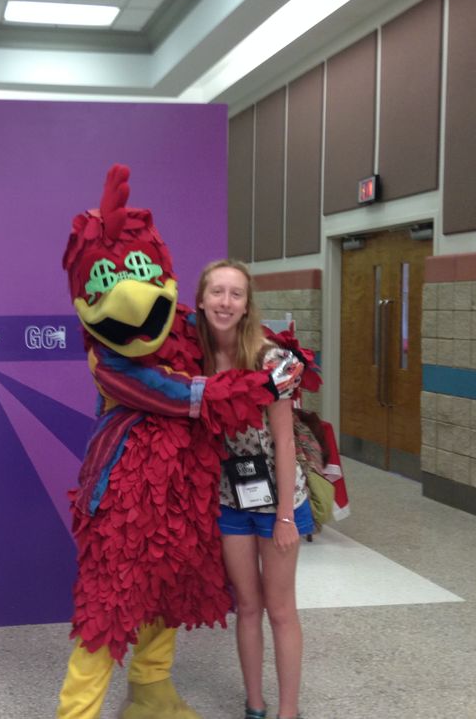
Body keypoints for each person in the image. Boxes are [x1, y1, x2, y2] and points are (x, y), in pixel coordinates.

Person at [57, 167, 278, 719]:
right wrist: (259, 385)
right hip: (126, 495)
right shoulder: (108, 360)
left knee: (168, 589)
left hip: (186, 488)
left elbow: (228, 337)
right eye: (109, 280)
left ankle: (151, 691)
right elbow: (179, 393)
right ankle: (76, 712)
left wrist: (275, 355)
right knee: (110, 602)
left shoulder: (185, 325)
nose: (133, 297)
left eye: (138, 272)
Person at [195, 259, 318, 719]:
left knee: (280, 609)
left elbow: (285, 441)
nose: (226, 302)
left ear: (247, 305)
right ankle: (255, 705)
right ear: (202, 300)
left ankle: (288, 711)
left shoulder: (271, 360)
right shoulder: (196, 360)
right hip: (231, 500)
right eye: (217, 292)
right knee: (247, 606)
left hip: (280, 500)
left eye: (236, 294)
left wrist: (285, 516)